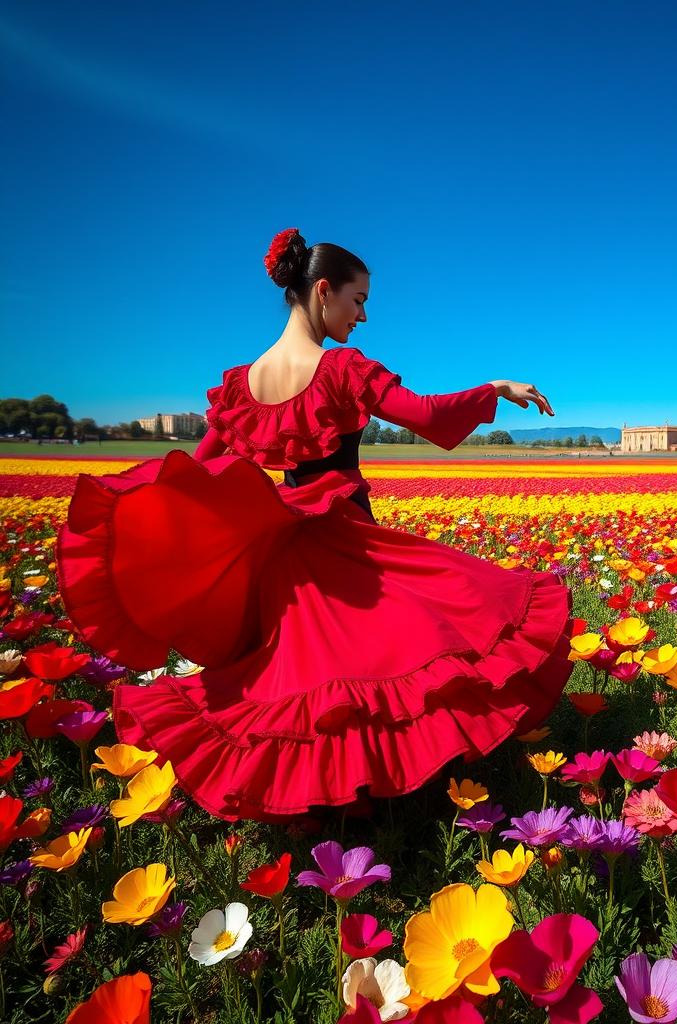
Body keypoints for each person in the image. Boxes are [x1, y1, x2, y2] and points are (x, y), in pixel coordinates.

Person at [56, 228, 575, 823]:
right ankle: (380, 805)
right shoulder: (341, 369)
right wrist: (495, 388)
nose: (364, 315)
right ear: (323, 291)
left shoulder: (241, 386)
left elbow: (193, 475)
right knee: (416, 642)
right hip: (347, 541)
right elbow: (426, 416)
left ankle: (342, 803)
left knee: (312, 681)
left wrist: (134, 513)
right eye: (358, 300)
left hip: (285, 557)